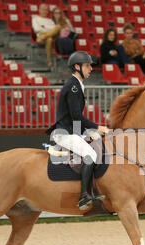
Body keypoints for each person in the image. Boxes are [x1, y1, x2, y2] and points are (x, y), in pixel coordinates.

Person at [46, 51, 110, 210]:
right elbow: (76, 115)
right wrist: (96, 127)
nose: (91, 69)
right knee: (91, 154)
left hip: (72, 130)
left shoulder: (77, 84)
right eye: (87, 65)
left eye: (90, 65)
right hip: (65, 133)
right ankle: (84, 196)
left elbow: (75, 117)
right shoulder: (73, 86)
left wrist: (90, 131)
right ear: (77, 67)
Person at [32, 4, 62, 68]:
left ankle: (46, 36)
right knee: (49, 39)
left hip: (46, 37)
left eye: (46, 10)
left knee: (58, 27)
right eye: (43, 9)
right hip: (41, 36)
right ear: (39, 10)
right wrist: (48, 29)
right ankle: (50, 61)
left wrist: (44, 27)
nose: (45, 11)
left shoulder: (50, 20)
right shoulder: (35, 18)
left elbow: (55, 29)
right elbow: (37, 29)